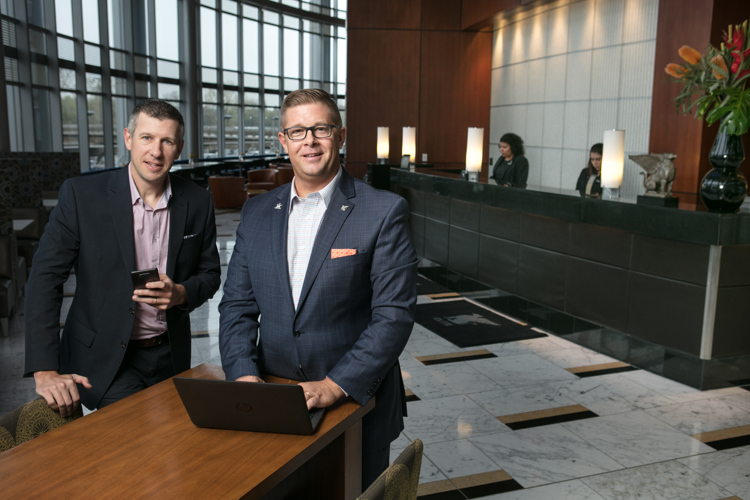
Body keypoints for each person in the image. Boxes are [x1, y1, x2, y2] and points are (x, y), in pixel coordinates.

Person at [219, 89, 418, 489]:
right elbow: (237, 306)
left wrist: (333, 385)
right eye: (296, 131)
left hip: (353, 403)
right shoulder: (256, 211)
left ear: (340, 136)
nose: (308, 140)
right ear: (283, 141)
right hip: (275, 400)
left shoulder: (383, 211)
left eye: (320, 129)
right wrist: (242, 375)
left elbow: (393, 317)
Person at [25, 99, 221, 417]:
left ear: (179, 147)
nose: (155, 152)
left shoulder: (198, 201)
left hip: (169, 354)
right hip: (105, 356)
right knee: (137, 444)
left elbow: (211, 273)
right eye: (146, 138)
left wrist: (182, 293)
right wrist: (44, 369)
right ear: (128, 138)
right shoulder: (81, 196)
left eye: (167, 141)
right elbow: (45, 279)